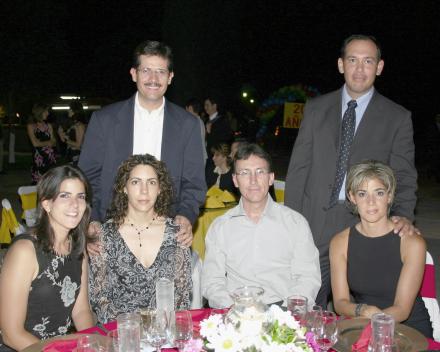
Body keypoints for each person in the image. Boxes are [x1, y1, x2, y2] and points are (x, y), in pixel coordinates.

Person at [284, 34, 418, 307]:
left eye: (368, 61)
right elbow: (299, 168)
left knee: (364, 312)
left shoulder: (397, 117)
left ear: (379, 67)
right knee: (308, 305)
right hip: (314, 223)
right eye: (353, 60)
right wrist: (291, 220)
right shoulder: (315, 108)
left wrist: (403, 214)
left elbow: (404, 174)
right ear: (340, 65)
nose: (360, 68)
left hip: (367, 224)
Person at [78, 40, 206, 246]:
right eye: (146, 70)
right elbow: (87, 177)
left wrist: (185, 214)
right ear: (133, 74)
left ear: (170, 77)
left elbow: (194, 181)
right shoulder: (104, 120)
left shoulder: (188, 125)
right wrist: (92, 220)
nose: (153, 79)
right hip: (110, 229)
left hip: (167, 232)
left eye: (161, 71)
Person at [202, 143, 320, 308]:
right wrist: (234, 309)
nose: (253, 181)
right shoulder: (221, 227)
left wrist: (286, 313)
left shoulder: (295, 223)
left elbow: (308, 277)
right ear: (235, 180)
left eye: (260, 172)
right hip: (236, 310)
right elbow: (212, 281)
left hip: (285, 309)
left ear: (271, 178)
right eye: (245, 173)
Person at [330, 160, 432, 338]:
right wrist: (363, 310)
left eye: (379, 193)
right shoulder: (340, 242)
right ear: (352, 197)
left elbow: (402, 310)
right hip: (363, 323)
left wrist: (373, 319)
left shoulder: (412, 243)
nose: (371, 202)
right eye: (362, 194)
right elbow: (339, 303)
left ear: (390, 196)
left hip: (409, 330)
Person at [0, 166, 94, 351]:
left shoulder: (77, 247)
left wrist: (93, 343)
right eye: (65, 196)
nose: (75, 205)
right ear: (46, 203)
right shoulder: (25, 251)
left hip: (59, 346)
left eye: (80, 197)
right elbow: (11, 334)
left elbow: (81, 310)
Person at [89, 154, 192, 322]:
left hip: (164, 333)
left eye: (151, 182)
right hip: (121, 334)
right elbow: (99, 298)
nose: (144, 190)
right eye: (136, 182)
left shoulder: (177, 233)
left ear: (160, 189)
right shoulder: (105, 235)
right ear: (124, 187)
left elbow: (182, 295)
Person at [27, 103, 57, 185]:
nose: (48, 113)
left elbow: (54, 142)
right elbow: (35, 143)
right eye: (46, 111)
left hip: (50, 160)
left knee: (50, 185)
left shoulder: (49, 125)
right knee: (38, 186)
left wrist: (43, 143)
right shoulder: (31, 126)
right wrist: (48, 142)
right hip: (39, 161)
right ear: (40, 112)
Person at [58, 101, 86, 166]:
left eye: (70, 109)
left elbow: (78, 145)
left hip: (76, 155)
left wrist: (66, 139)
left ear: (75, 111)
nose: (68, 110)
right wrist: (60, 134)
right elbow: (65, 140)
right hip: (70, 154)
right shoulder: (73, 125)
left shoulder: (79, 125)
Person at [185, 98, 208, 165]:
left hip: (195, 159)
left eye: (186, 109)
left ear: (190, 108)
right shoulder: (201, 122)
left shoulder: (192, 122)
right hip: (201, 157)